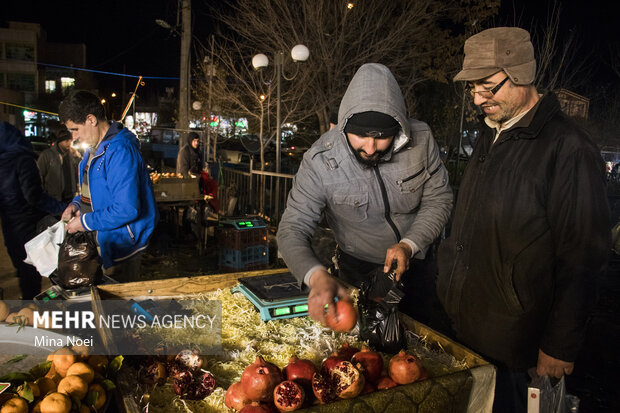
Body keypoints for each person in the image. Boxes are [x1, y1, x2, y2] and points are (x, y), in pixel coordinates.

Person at [438, 27, 611, 412]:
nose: (479, 99)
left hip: (520, 348)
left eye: (488, 86)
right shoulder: (492, 133)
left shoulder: (569, 149)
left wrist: (559, 345)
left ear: (521, 74)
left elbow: (583, 258)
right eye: (472, 89)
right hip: (470, 329)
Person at [277, 63, 453, 327]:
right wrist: (316, 276)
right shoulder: (319, 161)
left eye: (382, 137)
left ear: (399, 130)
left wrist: (410, 244)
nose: (370, 148)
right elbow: (292, 228)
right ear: (342, 126)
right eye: (360, 135)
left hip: (418, 264)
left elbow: (439, 199)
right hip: (357, 269)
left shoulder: (422, 140)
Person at [59, 90, 159, 283]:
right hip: (103, 240)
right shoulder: (93, 150)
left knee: (119, 307)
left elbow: (127, 209)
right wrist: (76, 205)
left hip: (123, 246)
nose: (74, 137)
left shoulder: (120, 151)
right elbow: (92, 192)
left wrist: (84, 222)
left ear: (91, 119)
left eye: (75, 129)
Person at [0, 122, 66, 299]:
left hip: (9, 229)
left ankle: (26, 314)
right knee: (43, 274)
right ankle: (34, 315)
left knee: (24, 274)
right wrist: (62, 209)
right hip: (30, 228)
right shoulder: (23, 160)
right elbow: (34, 197)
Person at [37, 128, 80, 203]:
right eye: (66, 141)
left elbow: (80, 171)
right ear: (60, 141)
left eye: (71, 140)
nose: (69, 143)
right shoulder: (47, 155)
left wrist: (77, 157)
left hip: (71, 197)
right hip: (54, 197)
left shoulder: (73, 154)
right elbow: (39, 175)